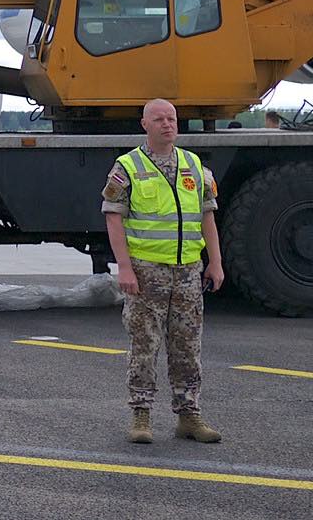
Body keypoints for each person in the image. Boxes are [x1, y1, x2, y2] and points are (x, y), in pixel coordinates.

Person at [103, 98, 223, 445]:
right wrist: (125, 267)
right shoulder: (128, 166)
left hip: (187, 272)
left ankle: (189, 416)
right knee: (145, 344)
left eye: (171, 118)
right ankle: (141, 416)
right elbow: (113, 217)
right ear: (145, 124)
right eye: (159, 119)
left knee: (187, 346)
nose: (167, 124)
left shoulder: (193, 164)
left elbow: (207, 216)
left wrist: (215, 262)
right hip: (146, 273)